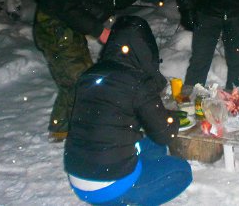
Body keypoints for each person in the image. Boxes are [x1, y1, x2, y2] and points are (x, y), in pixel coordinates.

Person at [64, 15, 192, 205]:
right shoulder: (137, 82)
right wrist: (174, 118)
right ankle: (127, 200)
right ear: (145, 48)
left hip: (78, 178)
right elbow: (165, 134)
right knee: (182, 171)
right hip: (110, 187)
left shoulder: (89, 75)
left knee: (154, 146)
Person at [33, 0, 138, 142]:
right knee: (82, 79)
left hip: (73, 23)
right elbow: (64, 5)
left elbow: (120, 1)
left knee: (78, 79)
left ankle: (61, 129)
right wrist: (100, 31)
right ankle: (77, 132)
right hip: (54, 23)